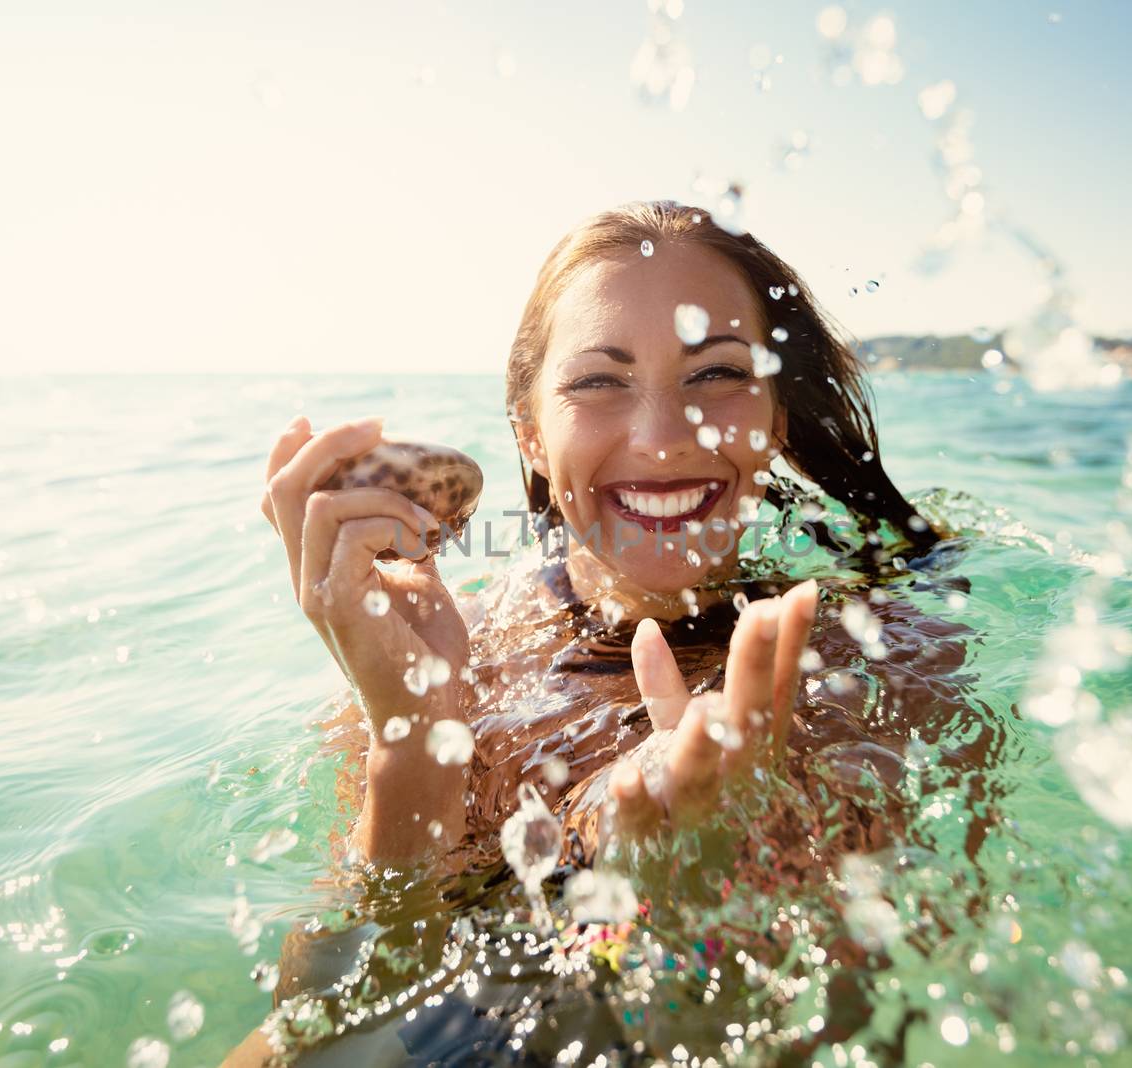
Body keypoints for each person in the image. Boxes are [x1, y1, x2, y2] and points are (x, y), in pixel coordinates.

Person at [226, 202, 992, 1066]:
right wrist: (415, 739)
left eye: (717, 374)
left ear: (775, 421)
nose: (663, 439)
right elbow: (326, 1024)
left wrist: (697, 907)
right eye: (598, 382)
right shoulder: (440, 653)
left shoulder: (872, 662)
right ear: (532, 436)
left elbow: (864, 1022)